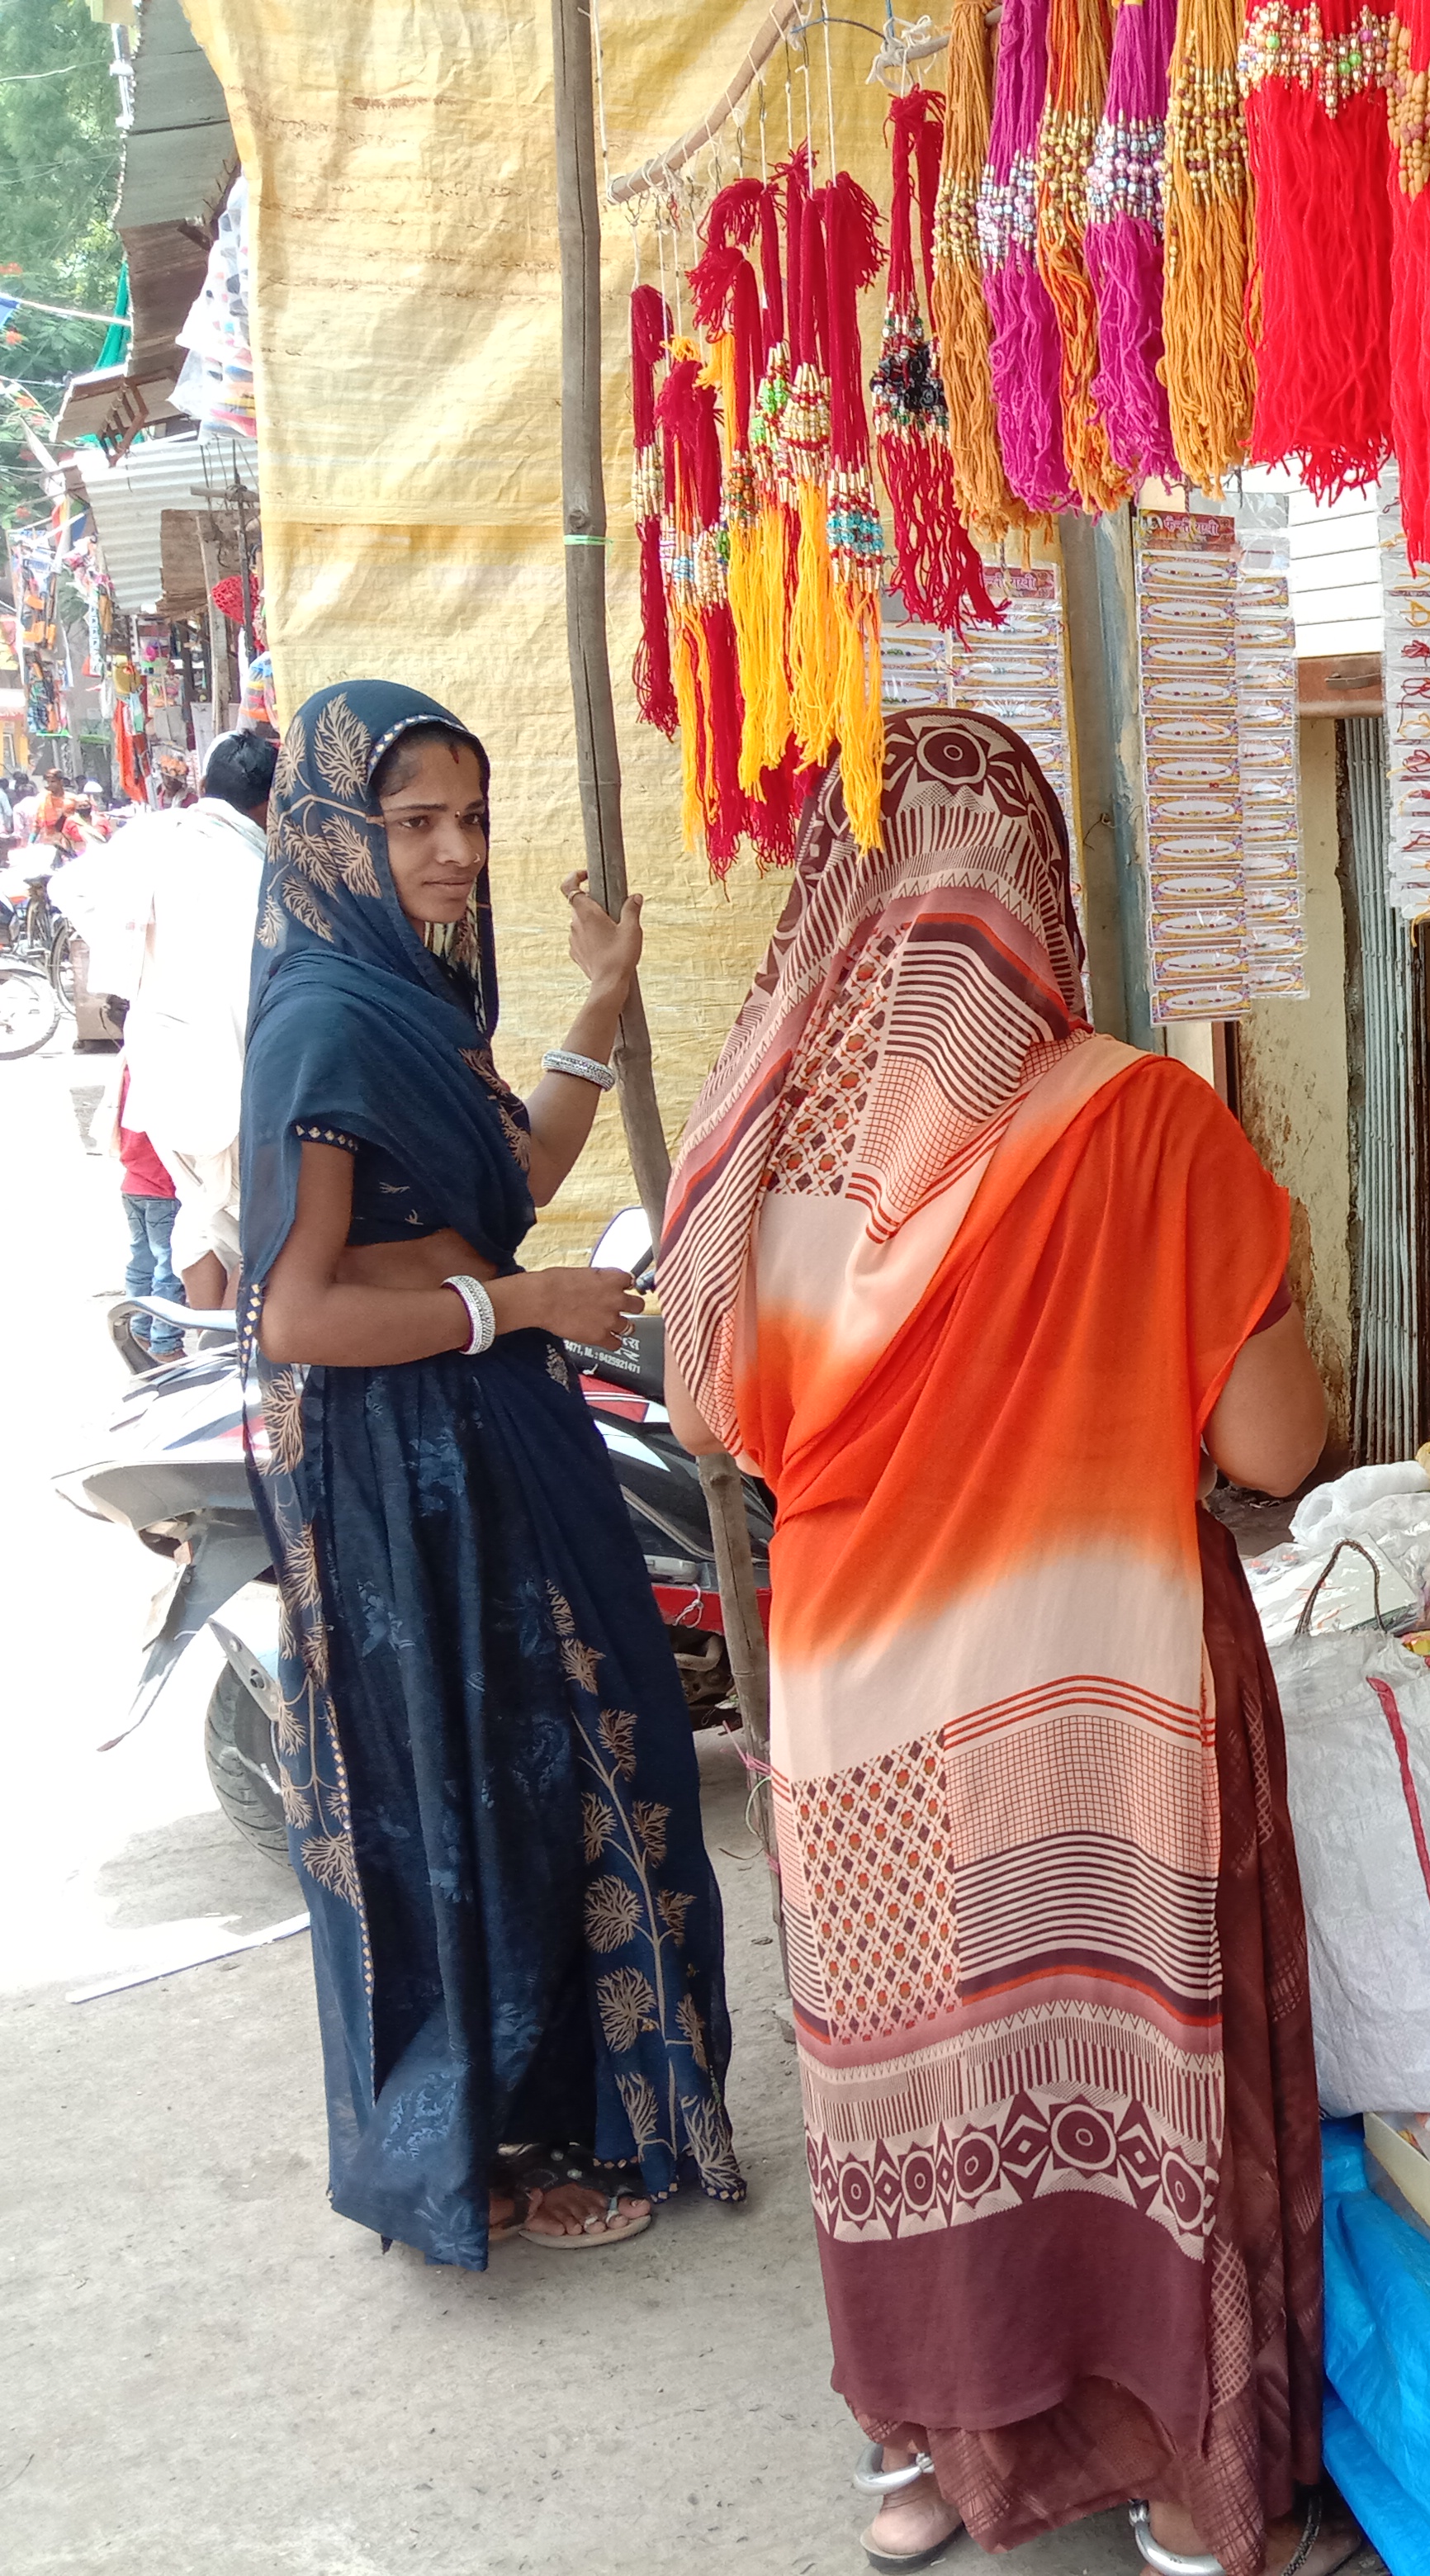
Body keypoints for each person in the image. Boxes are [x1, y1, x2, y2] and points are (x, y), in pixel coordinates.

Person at [656, 708, 1351, 2576]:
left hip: (859, 1719)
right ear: (1041, 897)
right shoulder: (1141, 1117)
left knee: (915, 2081)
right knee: (1131, 2062)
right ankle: (1182, 2485)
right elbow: (1277, 1450)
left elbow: (711, 1411)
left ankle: (927, 2454)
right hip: (1096, 1696)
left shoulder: (764, 1160)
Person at [238, 679, 739, 2266]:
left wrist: (600, 1000)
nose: (456, 854)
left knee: (574, 1771)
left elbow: (505, 1187)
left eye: (469, 819)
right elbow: (297, 1313)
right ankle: (484, 2160)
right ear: (333, 839)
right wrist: (516, 1311)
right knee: (460, 1797)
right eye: (414, 825)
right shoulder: (322, 1019)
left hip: (493, 1435)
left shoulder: (412, 1001)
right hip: (410, 1472)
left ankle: (574, 2110)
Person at [58, 722, 271, 1306]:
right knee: (254, 1233)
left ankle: (211, 1355)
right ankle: (240, 1367)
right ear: (270, 802)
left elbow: (69, 890)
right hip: (231, 1068)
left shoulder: (154, 836)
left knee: (201, 1214)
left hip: (161, 1063)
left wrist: (136, 967)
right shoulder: (258, 871)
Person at [113, 1070, 183, 1359]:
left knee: (142, 1260)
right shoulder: (161, 1073)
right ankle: (165, 1343)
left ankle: (139, 1328)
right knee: (169, 1267)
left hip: (134, 1184)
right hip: (163, 1188)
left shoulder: (129, 1069)